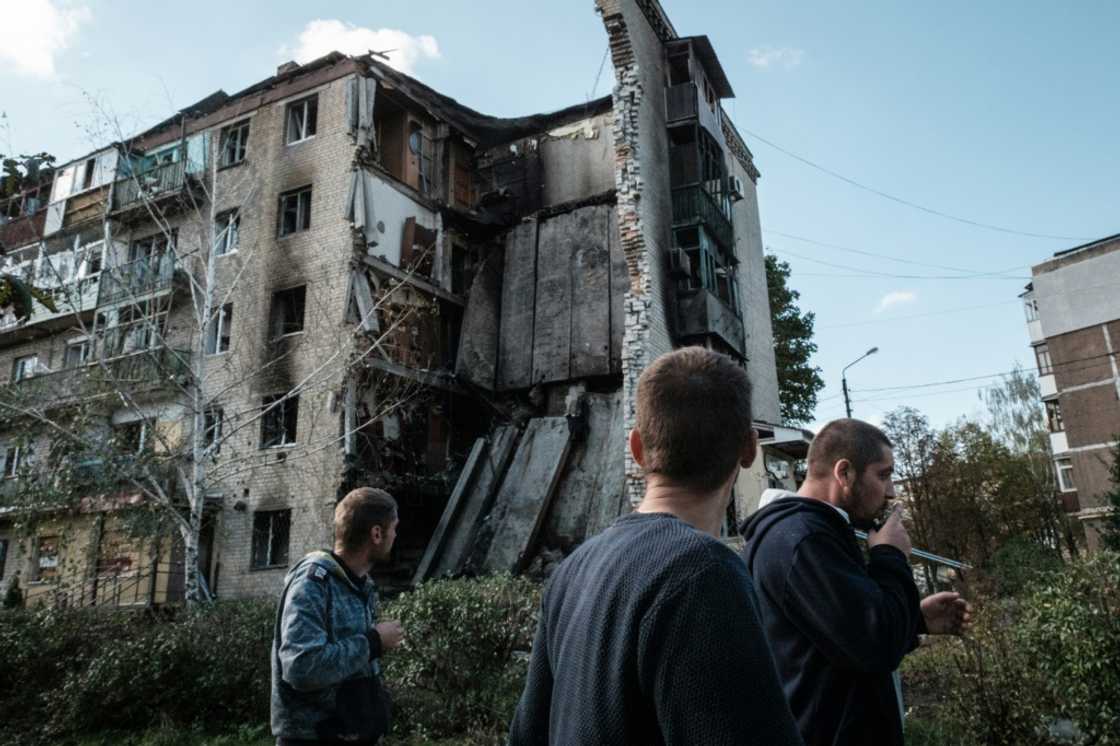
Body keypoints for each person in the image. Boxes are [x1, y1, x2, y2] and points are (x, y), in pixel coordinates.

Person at [508, 347, 803, 746]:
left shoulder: (571, 572)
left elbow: (527, 735)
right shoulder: (705, 576)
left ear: (637, 449)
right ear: (749, 449)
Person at [741, 419, 971, 746]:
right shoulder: (804, 540)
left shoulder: (811, 534)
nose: (891, 491)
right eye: (883, 474)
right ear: (845, 473)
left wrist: (914, 620)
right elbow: (877, 648)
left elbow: (844, 638)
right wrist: (890, 555)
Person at [271, 487, 406, 746]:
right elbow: (301, 667)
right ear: (376, 533)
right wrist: (374, 642)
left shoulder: (360, 585)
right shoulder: (313, 583)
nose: (396, 535)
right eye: (394, 528)